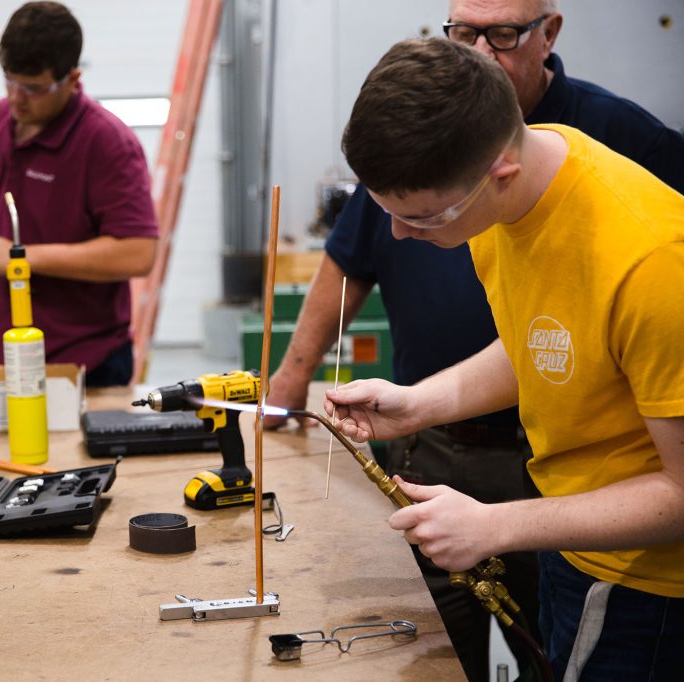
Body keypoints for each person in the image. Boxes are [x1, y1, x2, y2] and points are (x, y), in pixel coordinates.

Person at [265, 2, 684, 679]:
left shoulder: (652, 262)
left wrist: (499, 525)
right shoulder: (512, 207)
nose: (399, 237)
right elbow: (546, 346)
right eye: (387, 212)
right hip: (575, 551)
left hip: (648, 593)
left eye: (420, 216)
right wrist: (418, 403)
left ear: (500, 174)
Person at [0, 1, 158, 388]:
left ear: (73, 79)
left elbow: (138, 252)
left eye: (34, 88)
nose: (17, 98)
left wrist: (22, 258)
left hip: (82, 366)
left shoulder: (106, 142)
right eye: (9, 80)